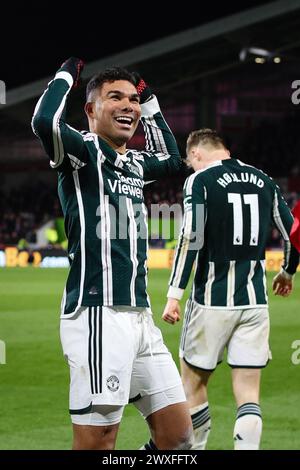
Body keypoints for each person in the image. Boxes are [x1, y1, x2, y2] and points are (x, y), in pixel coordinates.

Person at [32, 57, 193, 450]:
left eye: (131, 100)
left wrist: (149, 99)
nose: (128, 106)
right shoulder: (82, 152)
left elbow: (173, 159)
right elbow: (44, 122)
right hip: (98, 315)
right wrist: (67, 74)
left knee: (178, 437)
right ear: (91, 110)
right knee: (99, 440)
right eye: (115, 98)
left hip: (140, 317)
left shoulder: (133, 163)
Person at [162, 128, 299, 450]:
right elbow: (293, 231)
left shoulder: (200, 180)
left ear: (195, 153)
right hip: (255, 303)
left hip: (211, 301)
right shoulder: (263, 178)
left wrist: (173, 295)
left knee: (193, 384)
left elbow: (189, 239)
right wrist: (288, 272)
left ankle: (194, 451)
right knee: (249, 394)